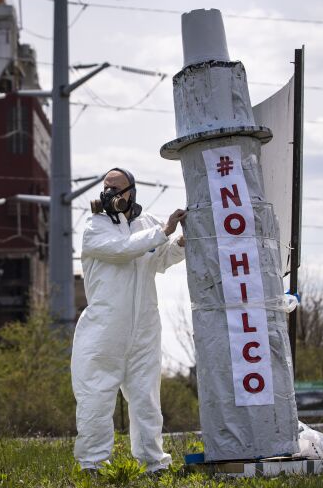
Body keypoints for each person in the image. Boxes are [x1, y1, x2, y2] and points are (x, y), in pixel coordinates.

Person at [72, 167, 187, 473]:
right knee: (96, 397)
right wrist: (163, 231)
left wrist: (180, 244)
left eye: (116, 187)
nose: (110, 193)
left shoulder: (146, 223)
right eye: (106, 187)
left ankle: (154, 463)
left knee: (146, 399)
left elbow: (158, 260)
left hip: (144, 327)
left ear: (131, 191)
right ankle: (93, 464)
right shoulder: (95, 227)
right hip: (105, 330)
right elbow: (122, 250)